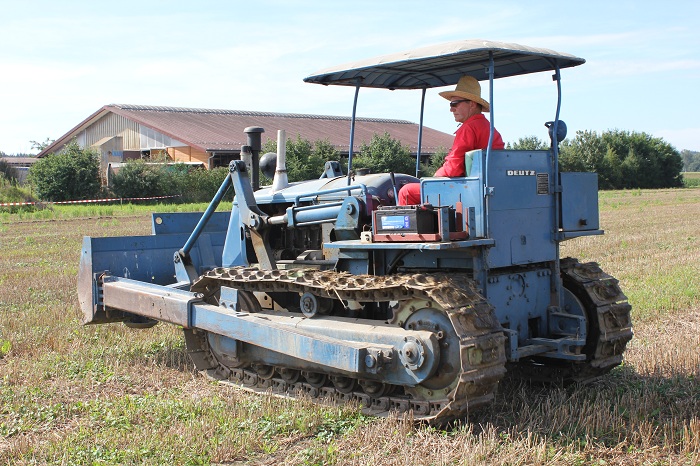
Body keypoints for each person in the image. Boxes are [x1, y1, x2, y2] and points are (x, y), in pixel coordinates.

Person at [397, 75, 505, 205]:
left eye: (455, 104)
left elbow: (453, 168)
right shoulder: (488, 127)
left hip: (468, 189)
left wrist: (433, 178)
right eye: (451, 104)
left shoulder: (468, 128)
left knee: (406, 191)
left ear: (472, 104)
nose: (451, 109)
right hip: (484, 186)